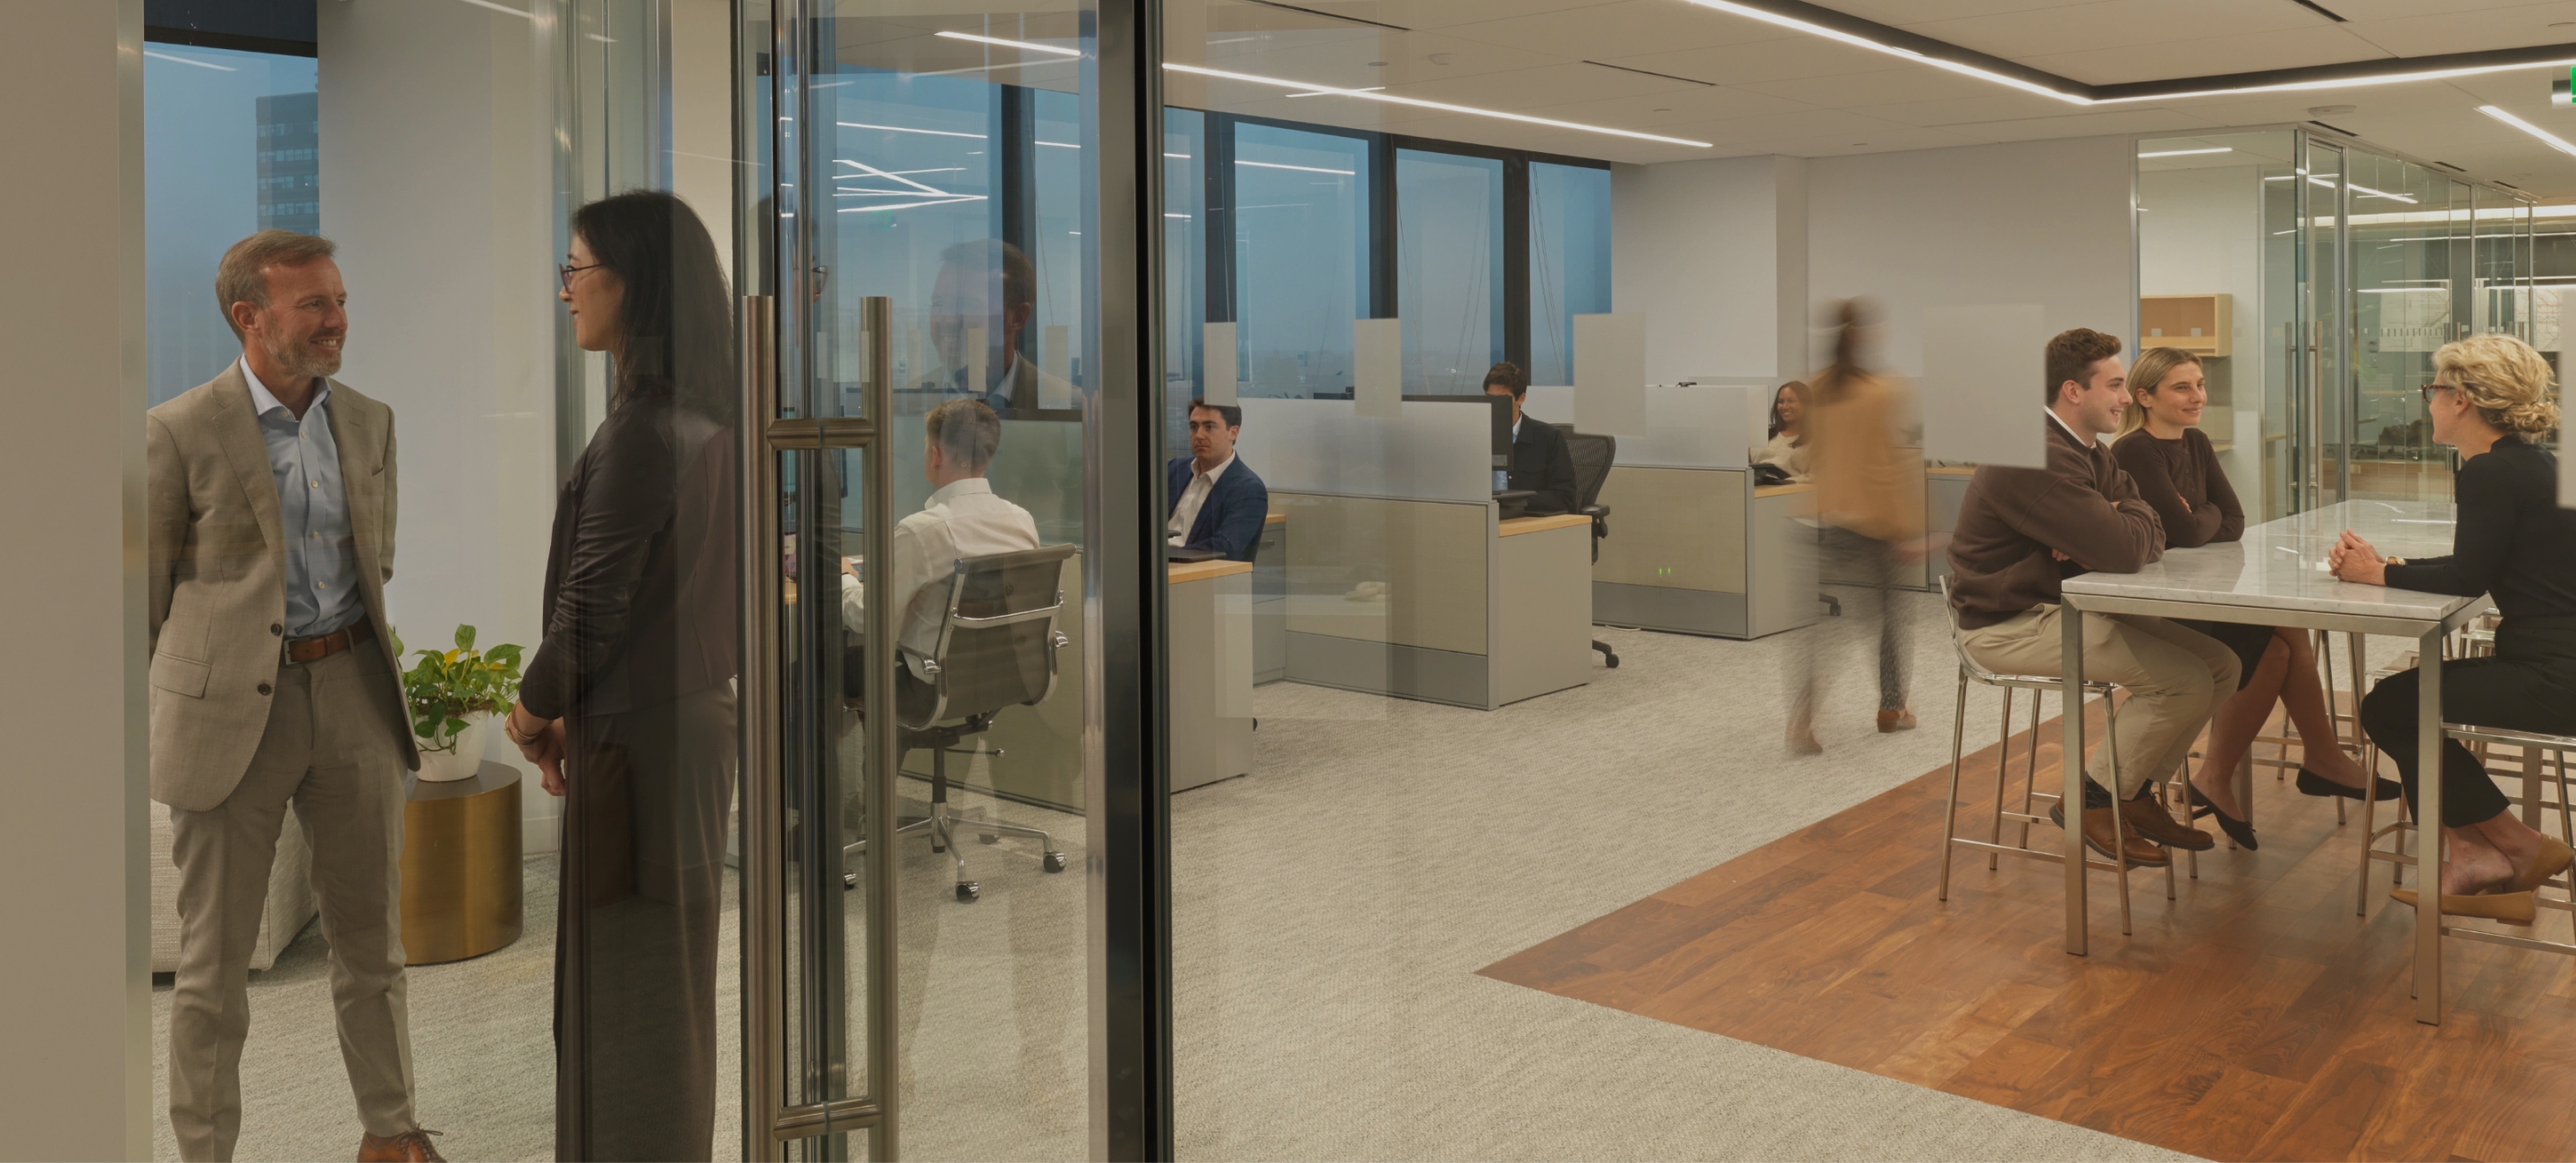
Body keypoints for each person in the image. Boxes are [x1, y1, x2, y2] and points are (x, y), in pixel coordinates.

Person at [147, 230, 445, 1163]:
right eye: (314, 304)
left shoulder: (370, 420)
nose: (338, 320)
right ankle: (204, 1154)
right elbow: (144, 597)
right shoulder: (178, 430)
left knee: (372, 947)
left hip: (353, 689)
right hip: (231, 714)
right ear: (251, 315)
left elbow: (376, 557)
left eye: (340, 301)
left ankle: (390, 1135)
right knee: (212, 970)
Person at [503, 190, 739, 1160]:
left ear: (630, 284)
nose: (565, 291)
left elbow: (592, 609)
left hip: (641, 749)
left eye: (576, 269)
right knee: (656, 994)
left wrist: (528, 713)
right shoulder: (704, 415)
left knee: (627, 1002)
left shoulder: (647, 429)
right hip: (670, 729)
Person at [1946, 327, 2236, 867]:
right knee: (2182, 681)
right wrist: (2117, 527)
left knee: (2220, 664)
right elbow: (2127, 549)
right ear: (2073, 391)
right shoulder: (2033, 454)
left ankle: (2132, 794)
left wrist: (2118, 522)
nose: (2128, 399)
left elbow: (2144, 523)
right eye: (2117, 385)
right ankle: (2093, 800)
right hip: (2007, 626)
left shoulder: (2087, 452)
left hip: (2063, 608)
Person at [2332, 334, 2576, 921]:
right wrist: (2386, 567)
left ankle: (2512, 847)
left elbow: (2468, 577)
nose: (2429, 401)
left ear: (2461, 397)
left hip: (2553, 678)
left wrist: (2379, 576)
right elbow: (2487, 565)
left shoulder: (2490, 471)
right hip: (2556, 664)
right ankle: (2472, 854)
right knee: (2403, 700)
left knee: (2392, 707)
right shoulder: (2537, 464)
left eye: (2433, 389)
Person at [2110, 347, 2392, 850]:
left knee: (2283, 634)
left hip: (2194, 588)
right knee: (2281, 635)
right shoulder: (2135, 449)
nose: (2198, 396)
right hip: (2156, 604)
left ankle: (2263, 768)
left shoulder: (2194, 442)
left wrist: (2199, 516)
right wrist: (2201, 517)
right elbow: (2186, 531)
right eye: (2182, 387)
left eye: (2199, 384)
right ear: (2144, 396)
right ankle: (2306, 760)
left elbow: (2233, 521)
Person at [838, 397, 1043, 710]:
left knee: (811, 672)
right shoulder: (1021, 521)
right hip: (997, 680)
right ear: (987, 457)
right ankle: (883, 747)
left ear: (935, 455)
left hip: (931, 688)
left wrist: (845, 580)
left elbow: (871, 619)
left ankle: (871, 756)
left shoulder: (921, 532)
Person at [1789, 302, 1923, 751]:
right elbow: (1888, 466)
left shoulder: (1818, 390)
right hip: (1877, 524)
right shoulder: (1883, 390)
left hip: (1830, 519)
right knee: (1890, 618)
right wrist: (1906, 526)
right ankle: (1891, 707)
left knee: (1824, 629)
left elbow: (1811, 456)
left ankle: (1802, 719)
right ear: (1865, 335)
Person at [929, 238, 1075, 415]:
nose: (947, 319)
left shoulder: (1065, 403)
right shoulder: (907, 400)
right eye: (938, 303)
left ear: (1018, 316)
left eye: (966, 304)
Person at [1167, 397, 1269, 562]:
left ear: (1233, 432)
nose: (1199, 435)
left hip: (1195, 575)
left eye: (1209, 427)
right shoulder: (1173, 470)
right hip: (1152, 571)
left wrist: (1160, 558)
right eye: (1194, 427)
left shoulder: (1247, 488)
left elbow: (1225, 547)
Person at [1482, 361, 1578, 515]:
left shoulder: (1548, 438)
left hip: (1528, 518)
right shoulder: (1476, 437)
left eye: (1501, 400)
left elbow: (1564, 497)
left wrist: (1515, 502)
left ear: (1521, 398)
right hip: (1482, 518)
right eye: (1489, 398)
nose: (1494, 406)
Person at [1750, 380, 1814, 482]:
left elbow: (1814, 477)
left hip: (1788, 494)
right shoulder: (1763, 433)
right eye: (1780, 402)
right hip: (1754, 491)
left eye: (1791, 401)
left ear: (1806, 404)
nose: (1784, 407)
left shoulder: (1816, 441)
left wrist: (1781, 484)